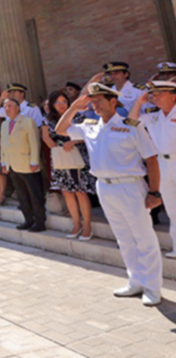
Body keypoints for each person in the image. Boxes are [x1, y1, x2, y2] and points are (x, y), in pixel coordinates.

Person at [56, 82, 162, 306]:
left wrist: (154, 192)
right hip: (104, 187)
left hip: (131, 186)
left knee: (143, 237)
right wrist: (74, 107)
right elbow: (60, 130)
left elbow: (151, 159)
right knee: (123, 238)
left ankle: (152, 287)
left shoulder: (131, 126)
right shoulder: (89, 125)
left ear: (113, 102)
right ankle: (135, 281)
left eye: (99, 101)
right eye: (92, 101)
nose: (94, 105)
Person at [130, 80, 176, 259]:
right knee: (172, 208)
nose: (155, 97)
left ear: (173, 95)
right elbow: (131, 121)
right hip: (162, 164)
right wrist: (139, 103)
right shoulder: (152, 115)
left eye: (159, 94)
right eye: (153, 94)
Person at [42, 90, 95, 241]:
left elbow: (87, 135)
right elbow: (46, 137)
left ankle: (87, 226)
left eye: (64, 102)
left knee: (80, 190)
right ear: (52, 104)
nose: (61, 105)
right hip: (60, 156)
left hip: (77, 155)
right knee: (66, 191)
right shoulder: (47, 119)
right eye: (57, 102)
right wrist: (58, 149)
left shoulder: (78, 116)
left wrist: (74, 142)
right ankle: (76, 224)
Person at [0, 97, 46, 232]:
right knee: (22, 196)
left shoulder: (27, 122)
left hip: (27, 165)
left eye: (9, 106)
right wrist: (4, 162)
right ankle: (28, 220)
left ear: (17, 108)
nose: (6, 109)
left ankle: (39, 222)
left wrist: (34, 161)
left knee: (35, 195)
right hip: (13, 164)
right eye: (5, 106)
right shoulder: (4, 124)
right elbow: (4, 145)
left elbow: (34, 142)